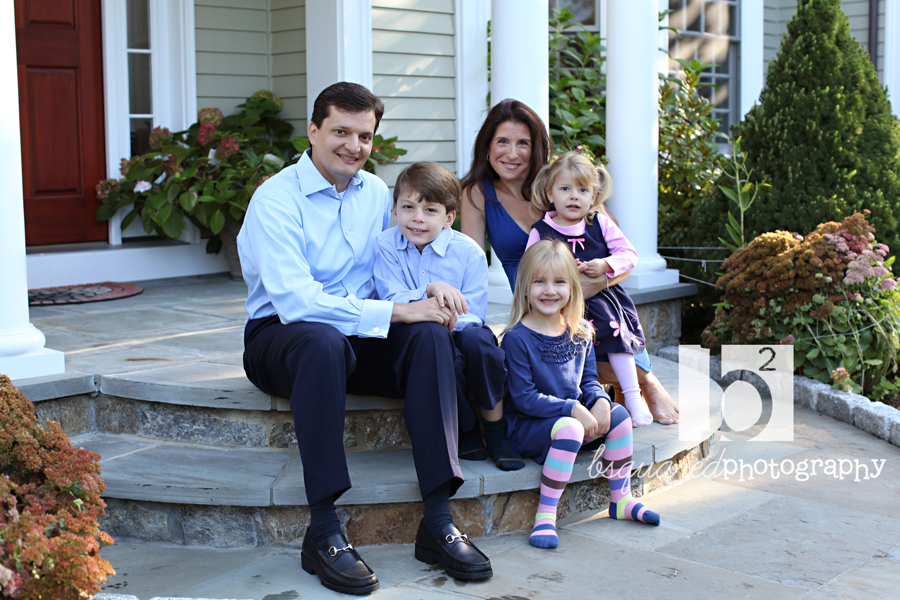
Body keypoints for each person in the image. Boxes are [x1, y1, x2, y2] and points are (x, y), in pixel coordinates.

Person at [238, 83, 492, 595]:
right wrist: (398, 310)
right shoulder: (275, 200)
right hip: (282, 339)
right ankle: (324, 530)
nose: (353, 146)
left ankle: (438, 520)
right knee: (323, 343)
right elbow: (296, 303)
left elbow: (403, 257)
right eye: (341, 132)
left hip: (362, 335)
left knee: (429, 336)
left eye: (364, 136)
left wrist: (429, 289)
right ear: (313, 131)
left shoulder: (377, 194)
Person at [460, 98, 680, 425]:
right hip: (538, 297)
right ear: (487, 147)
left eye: (523, 143)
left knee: (612, 314)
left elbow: (615, 248)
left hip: (593, 286)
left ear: (536, 148)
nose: (512, 153)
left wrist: (601, 280)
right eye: (502, 142)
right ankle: (631, 388)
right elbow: (472, 264)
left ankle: (644, 383)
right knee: (572, 341)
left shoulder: (563, 182)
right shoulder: (478, 194)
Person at [501, 240, 661, 550]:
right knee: (571, 427)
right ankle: (545, 516)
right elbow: (525, 398)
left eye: (559, 282)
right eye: (539, 281)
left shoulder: (581, 331)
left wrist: (599, 400)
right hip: (530, 427)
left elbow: (588, 381)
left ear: (573, 287)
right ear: (524, 287)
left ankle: (621, 499)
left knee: (619, 415)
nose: (550, 290)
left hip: (573, 420)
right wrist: (574, 410)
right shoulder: (516, 339)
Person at [373, 161, 524, 471]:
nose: (418, 218)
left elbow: (474, 314)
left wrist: (442, 318)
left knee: (481, 346)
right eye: (408, 207)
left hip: (464, 329)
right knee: (438, 351)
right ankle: (466, 428)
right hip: (416, 335)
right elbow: (390, 298)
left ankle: (495, 430)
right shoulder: (385, 246)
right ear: (395, 209)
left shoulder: (469, 252)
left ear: (449, 218)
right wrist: (430, 291)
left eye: (430, 210)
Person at [525, 153, 654, 426]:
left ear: (593, 196)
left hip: (601, 300)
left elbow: (629, 254)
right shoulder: (541, 230)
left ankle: (632, 395)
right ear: (550, 194)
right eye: (565, 189)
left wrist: (605, 264)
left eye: (583, 190)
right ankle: (579, 398)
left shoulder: (599, 224)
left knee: (615, 330)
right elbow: (530, 267)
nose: (574, 196)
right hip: (560, 304)